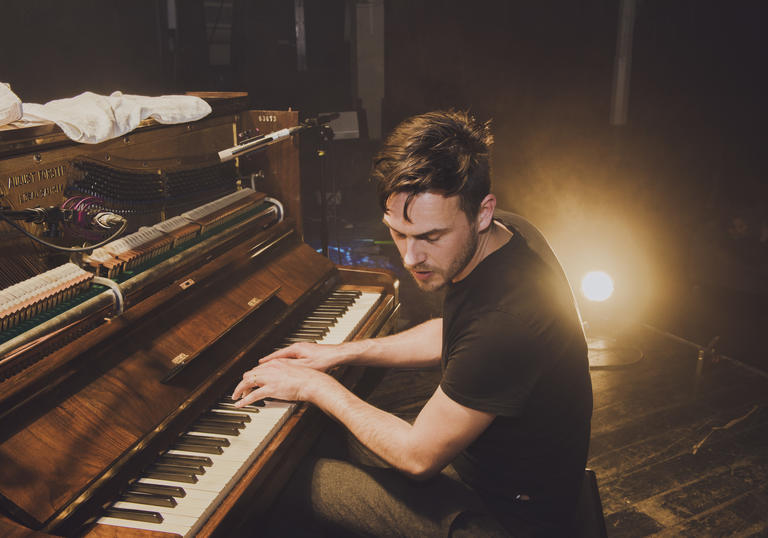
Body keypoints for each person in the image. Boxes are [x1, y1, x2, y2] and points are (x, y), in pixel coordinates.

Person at [233, 110, 593, 536]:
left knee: (274, 485)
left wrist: (315, 385)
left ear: (481, 212)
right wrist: (341, 352)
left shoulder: (507, 321)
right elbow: (458, 333)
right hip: (485, 472)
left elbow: (418, 457)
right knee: (314, 438)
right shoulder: (509, 233)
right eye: (398, 232)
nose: (409, 257)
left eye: (430, 237)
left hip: (507, 519)